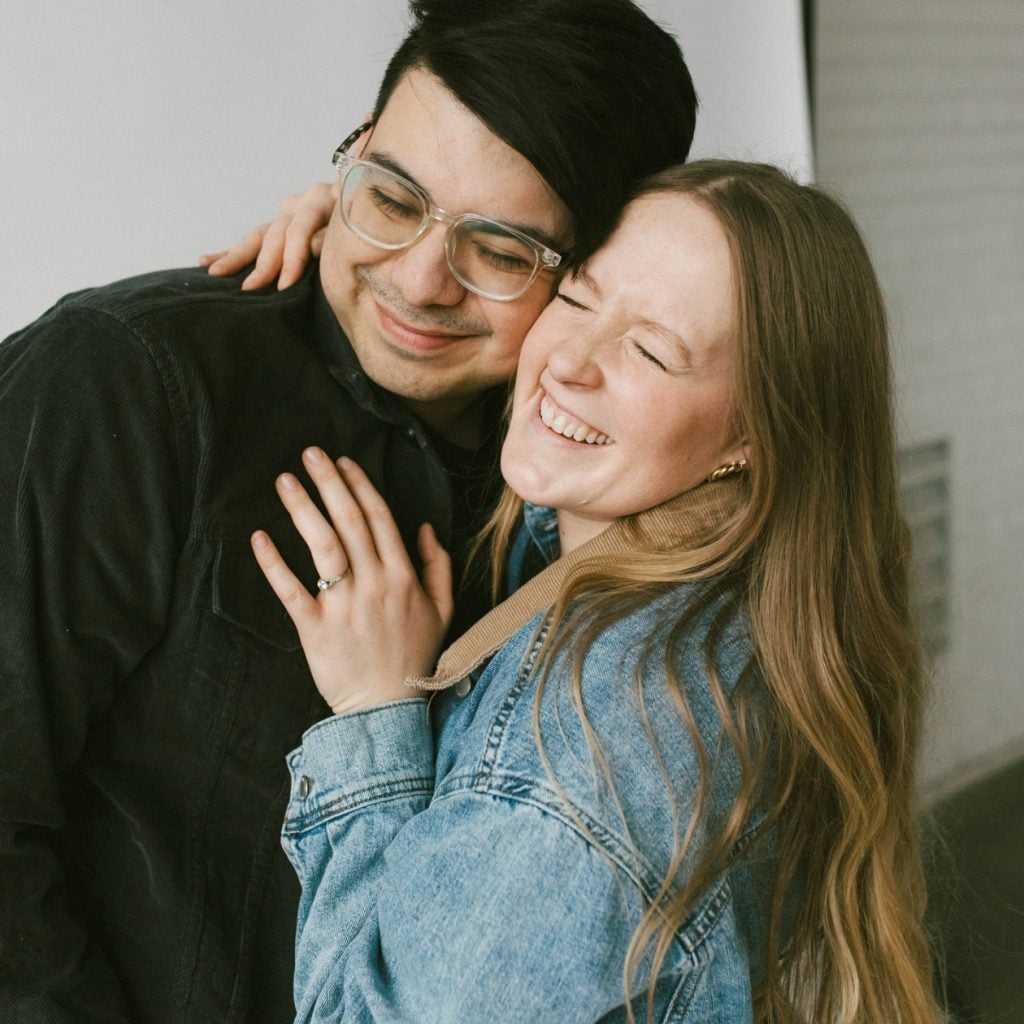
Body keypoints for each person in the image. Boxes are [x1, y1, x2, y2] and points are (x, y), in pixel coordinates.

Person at [0, 3, 699, 1022]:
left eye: (500, 251)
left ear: (595, 268)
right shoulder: (126, 381)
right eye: (393, 197)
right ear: (352, 157)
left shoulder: (585, 482)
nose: (417, 281)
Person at [250, 162, 943, 1022]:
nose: (569, 361)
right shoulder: (746, 577)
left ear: (756, 434)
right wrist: (378, 245)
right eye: (577, 297)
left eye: (651, 351)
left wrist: (373, 712)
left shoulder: (579, 766)